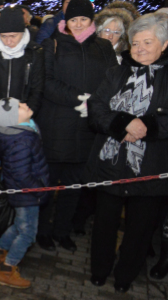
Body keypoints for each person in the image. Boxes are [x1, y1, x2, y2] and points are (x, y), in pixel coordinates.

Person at [87, 13, 168, 293]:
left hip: (150, 169)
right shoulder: (116, 72)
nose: (140, 48)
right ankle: (99, 269)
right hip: (111, 163)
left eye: (148, 42)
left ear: (165, 44)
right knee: (104, 224)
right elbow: (96, 110)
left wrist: (147, 125)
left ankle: (125, 276)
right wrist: (123, 123)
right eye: (135, 43)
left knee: (140, 230)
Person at [36, 0, 117, 253]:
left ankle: (63, 231)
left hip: (86, 128)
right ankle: (43, 231)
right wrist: (80, 98)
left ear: (92, 20)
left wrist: (95, 103)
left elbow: (112, 81)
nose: (79, 23)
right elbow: (46, 82)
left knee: (73, 186)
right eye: (74, 20)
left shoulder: (103, 47)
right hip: (55, 126)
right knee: (48, 185)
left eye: (83, 19)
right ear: (66, 22)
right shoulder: (53, 44)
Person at [0, 6, 44, 246]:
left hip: (21, 132)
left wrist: (20, 125)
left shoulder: (35, 53)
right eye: (4, 36)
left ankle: (11, 233)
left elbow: (36, 91)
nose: (9, 41)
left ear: (23, 32)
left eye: (13, 36)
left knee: (18, 184)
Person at [0, 98, 49, 288]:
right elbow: (22, 175)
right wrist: (39, 188)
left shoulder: (19, 130)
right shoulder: (20, 140)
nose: (26, 105)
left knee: (20, 224)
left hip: (23, 192)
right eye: (20, 107)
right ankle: (7, 269)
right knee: (28, 233)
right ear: (12, 118)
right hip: (27, 192)